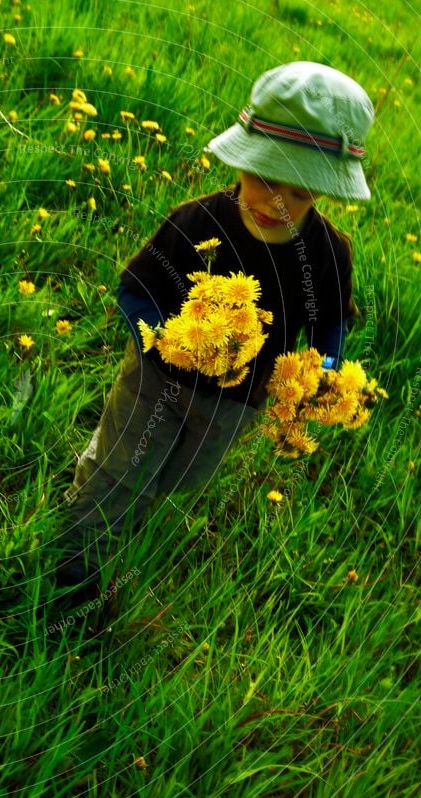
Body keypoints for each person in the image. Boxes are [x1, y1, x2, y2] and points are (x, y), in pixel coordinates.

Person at [52, 61, 375, 605]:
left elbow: (328, 325)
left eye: (299, 194)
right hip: (156, 380)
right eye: (266, 180)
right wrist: (162, 335)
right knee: (122, 475)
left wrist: (323, 371)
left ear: (322, 192)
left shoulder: (327, 254)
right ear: (243, 160)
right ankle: (73, 573)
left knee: (178, 479)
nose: (277, 204)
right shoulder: (196, 223)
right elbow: (135, 291)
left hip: (236, 404)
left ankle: (109, 477)